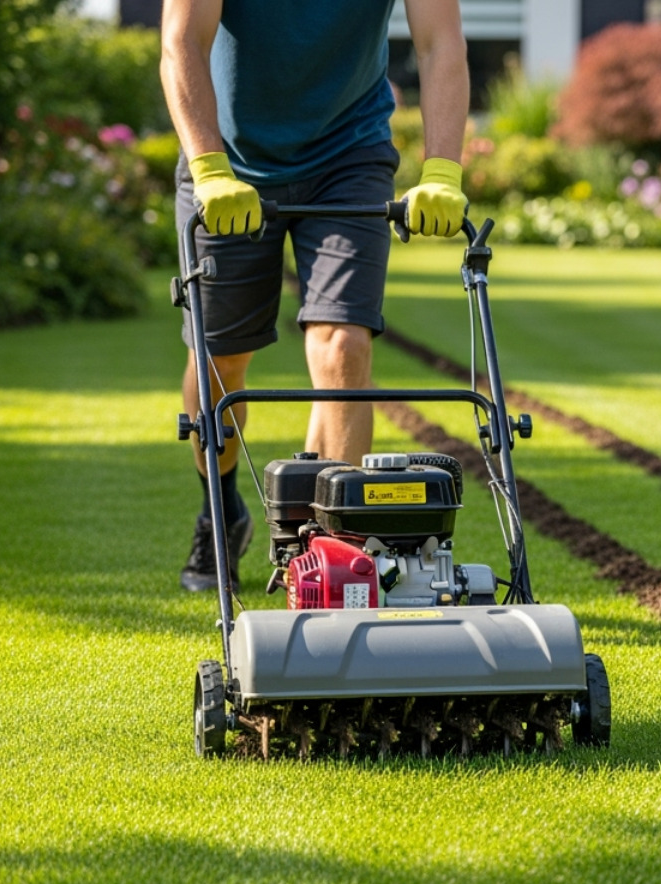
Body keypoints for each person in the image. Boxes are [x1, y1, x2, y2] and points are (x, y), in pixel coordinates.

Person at [160, 0, 469, 591]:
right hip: (228, 162)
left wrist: (443, 172)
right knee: (218, 363)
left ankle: (333, 550)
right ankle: (220, 509)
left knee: (344, 343)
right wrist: (208, 168)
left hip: (348, 154)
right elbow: (181, 43)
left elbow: (440, 43)